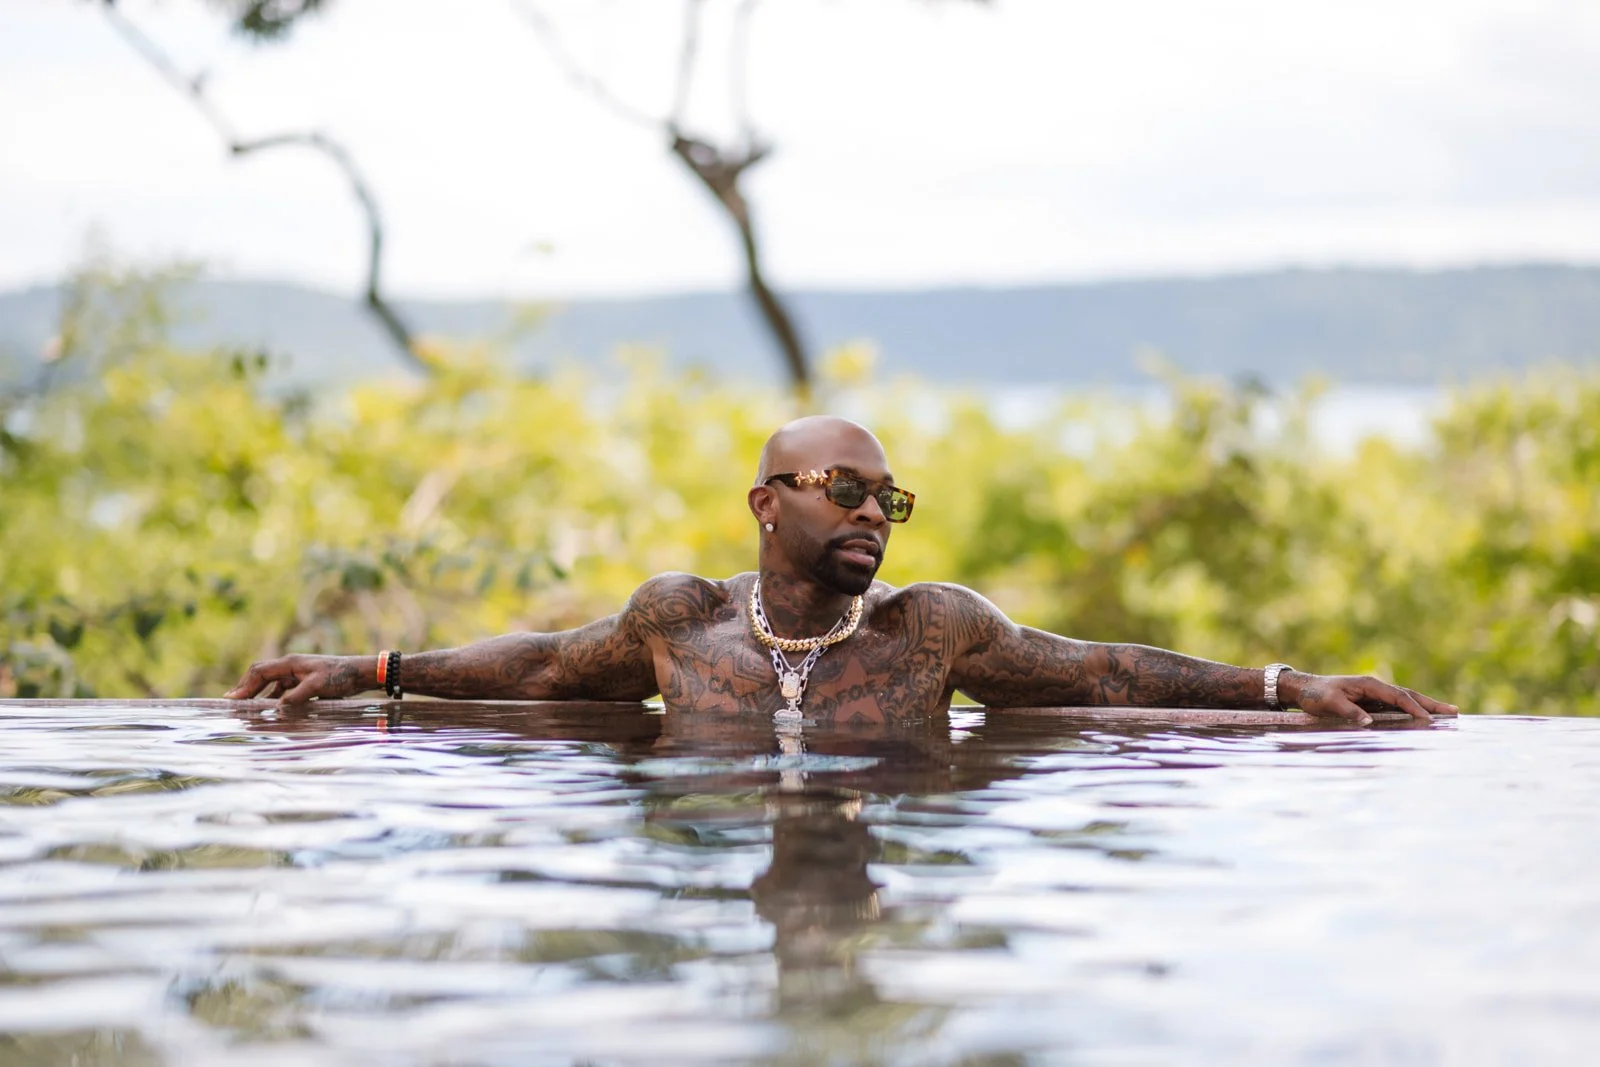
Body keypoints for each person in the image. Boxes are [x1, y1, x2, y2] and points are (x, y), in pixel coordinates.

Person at [226, 416, 1456, 726]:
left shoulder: (930, 630)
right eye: (846, 490)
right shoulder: (682, 621)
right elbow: (549, 666)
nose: (875, 510)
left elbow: (1101, 670)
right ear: (767, 503)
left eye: (889, 497)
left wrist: (1283, 683)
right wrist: (363, 668)